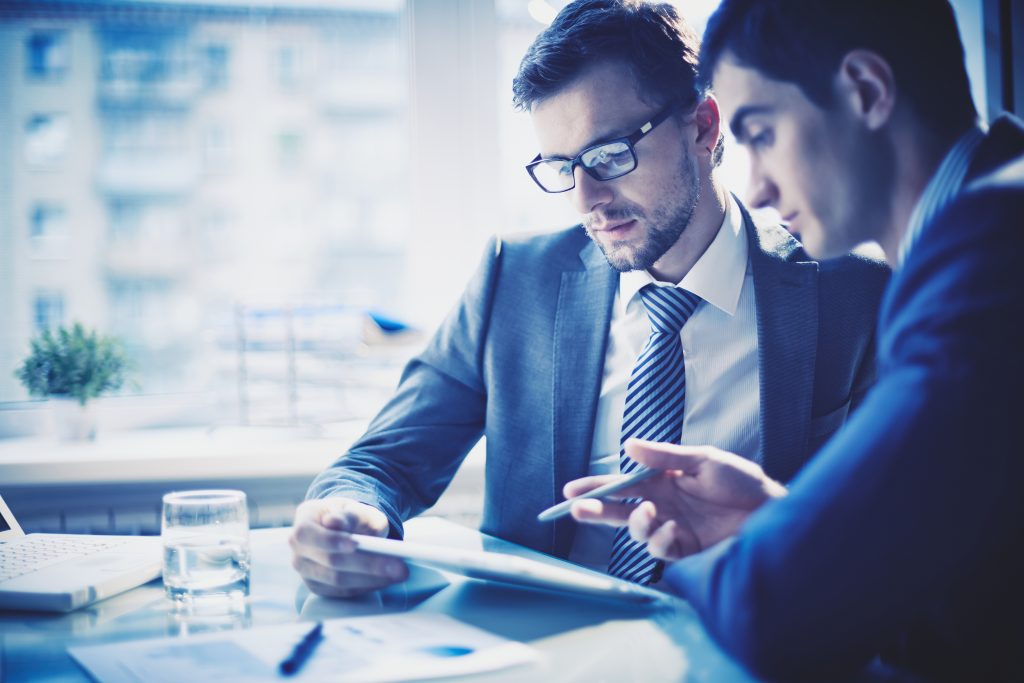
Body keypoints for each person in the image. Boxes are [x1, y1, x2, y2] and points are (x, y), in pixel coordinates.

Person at [289, 0, 888, 599]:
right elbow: (381, 461)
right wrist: (344, 516)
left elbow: (892, 534)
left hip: (740, 642)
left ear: (703, 126)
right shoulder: (513, 280)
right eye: (561, 167)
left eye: (607, 156)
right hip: (543, 647)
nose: (585, 199)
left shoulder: (853, 295)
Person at [567, 0, 1024, 680]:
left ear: (866, 91)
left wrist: (757, 558)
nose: (753, 184)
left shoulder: (986, 260)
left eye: (761, 133)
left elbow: (770, 607)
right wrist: (776, 521)